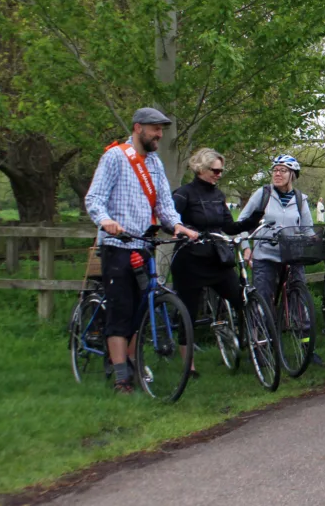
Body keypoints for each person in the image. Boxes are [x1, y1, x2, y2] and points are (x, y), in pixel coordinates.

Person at [85, 108, 199, 393]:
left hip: (143, 245)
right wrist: (105, 220)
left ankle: (132, 365)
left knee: (139, 309)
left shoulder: (155, 163)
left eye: (161, 129)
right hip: (117, 246)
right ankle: (121, 378)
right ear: (138, 128)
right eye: (154, 129)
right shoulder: (115, 157)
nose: (159, 134)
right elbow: (95, 197)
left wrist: (177, 226)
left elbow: (164, 204)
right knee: (120, 310)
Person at [171, 148, 262, 377]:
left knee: (241, 299)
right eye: (215, 170)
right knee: (188, 313)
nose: (219, 175)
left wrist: (252, 220)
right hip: (190, 260)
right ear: (200, 169)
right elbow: (169, 221)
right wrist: (185, 232)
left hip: (217, 258)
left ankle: (249, 347)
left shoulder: (218, 195)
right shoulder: (184, 194)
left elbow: (228, 226)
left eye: (221, 171)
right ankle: (188, 367)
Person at [237, 154, 314, 308]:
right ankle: (261, 329)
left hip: (292, 254)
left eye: (283, 170)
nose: (277, 174)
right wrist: (246, 247)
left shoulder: (300, 199)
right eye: (275, 170)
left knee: (299, 296)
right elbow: (241, 221)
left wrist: (313, 240)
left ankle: (302, 329)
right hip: (265, 254)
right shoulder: (263, 194)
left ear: (292, 175)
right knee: (263, 298)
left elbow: (307, 228)